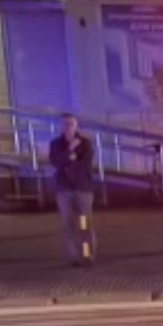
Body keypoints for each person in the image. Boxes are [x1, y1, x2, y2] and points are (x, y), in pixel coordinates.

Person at [47, 112, 98, 267]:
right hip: (64, 188)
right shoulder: (56, 144)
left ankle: (88, 254)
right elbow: (55, 162)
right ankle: (72, 257)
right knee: (67, 223)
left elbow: (85, 164)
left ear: (77, 126)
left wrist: (67, 162)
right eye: (65, 124)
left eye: (71, 123)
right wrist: (70, 152)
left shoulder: (85, 143)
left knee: (86, 223)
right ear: (61, 126)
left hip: (83, 188)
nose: (68, 127)